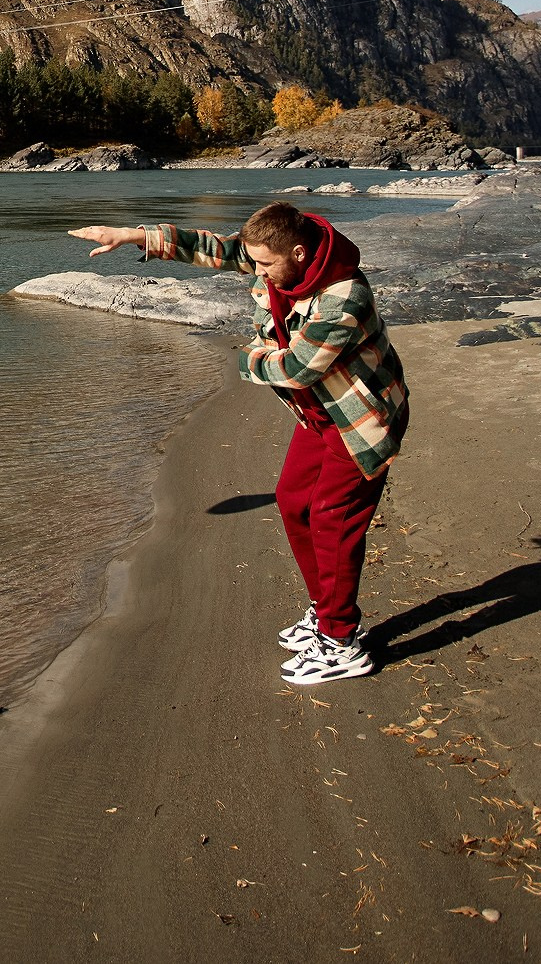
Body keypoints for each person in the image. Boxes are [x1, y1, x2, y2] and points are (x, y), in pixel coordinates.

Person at [69, 201, 407, 685]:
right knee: (293, 502)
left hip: (359, 420)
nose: (258, 272)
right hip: (319, 414)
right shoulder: (282, 259)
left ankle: (341, 641)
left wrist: (249, 357)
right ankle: (325, 611)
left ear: (297, 253)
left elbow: (296, 369)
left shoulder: (344, 297)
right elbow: (218, 249)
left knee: (332, 519)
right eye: (257, 264)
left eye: (266, 265)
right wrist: (132, 235)